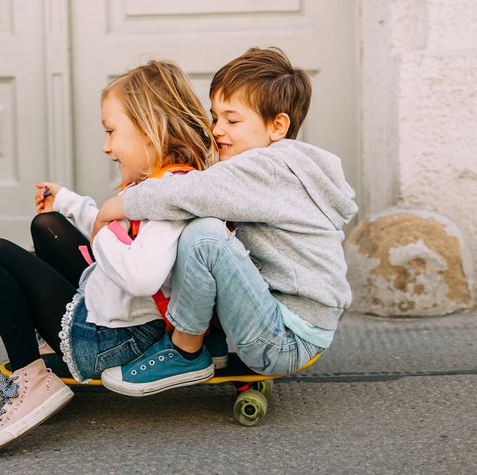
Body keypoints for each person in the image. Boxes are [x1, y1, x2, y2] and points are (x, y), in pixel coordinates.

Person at [0, 59, 216, 454]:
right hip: (118, 314)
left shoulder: (167, 199)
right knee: (46, 223)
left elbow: (141, 275)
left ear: (149, 129)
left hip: (114, 339)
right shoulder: (166, 182)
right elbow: (122, 230)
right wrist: (69, 203)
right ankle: (47, 343)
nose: (105, 146)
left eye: (111, 131)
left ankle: (31, 384)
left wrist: (104, 229)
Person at [96, 47, 358, 397]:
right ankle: (213, 345)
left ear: (277, 126)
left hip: (285, 339)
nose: (217, 129)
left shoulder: (268, 168)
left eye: (232, 121)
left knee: (204, 235)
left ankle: (185, 350)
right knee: (212, 234)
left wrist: (120, 204)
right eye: (214, 116)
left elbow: (190, 192)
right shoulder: (279, 167)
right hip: (285, 320)